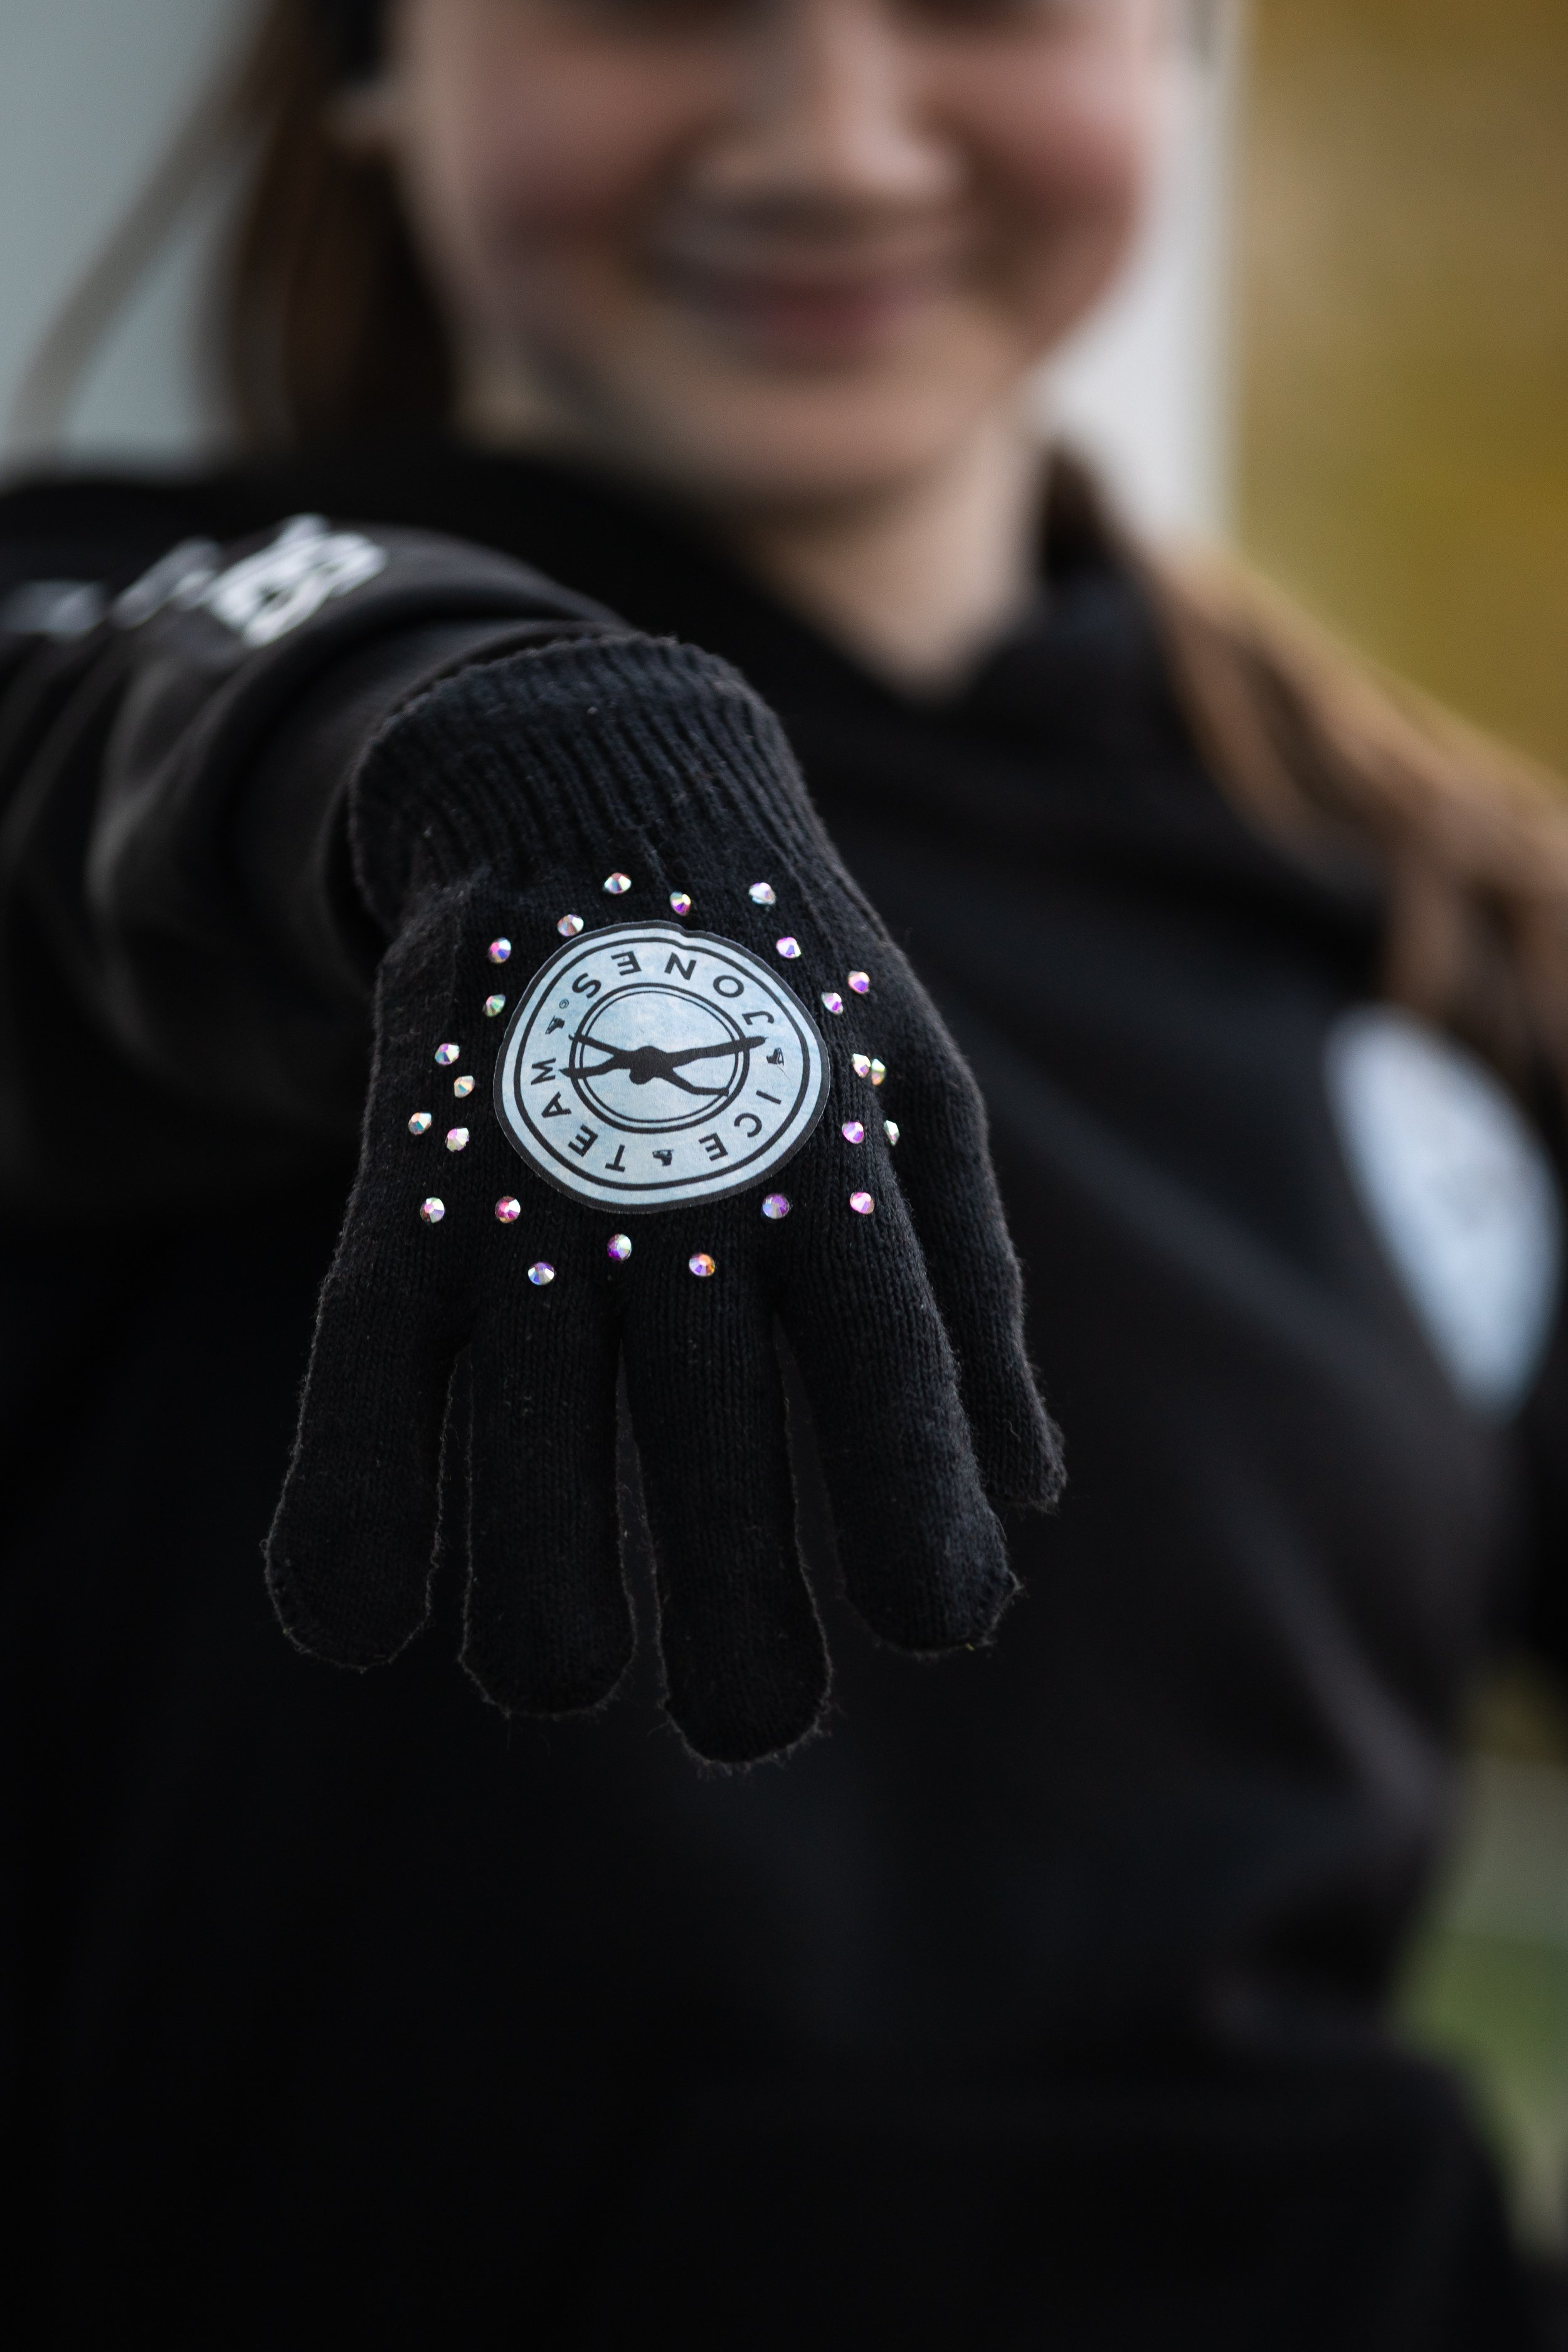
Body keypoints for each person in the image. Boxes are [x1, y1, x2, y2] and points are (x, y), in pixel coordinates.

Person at [3, 0, 1567, 2341]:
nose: (828, 141)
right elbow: (148, 729)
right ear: (367, 59)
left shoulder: (1444, 933)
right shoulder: (171, 727)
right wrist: (494, 751)